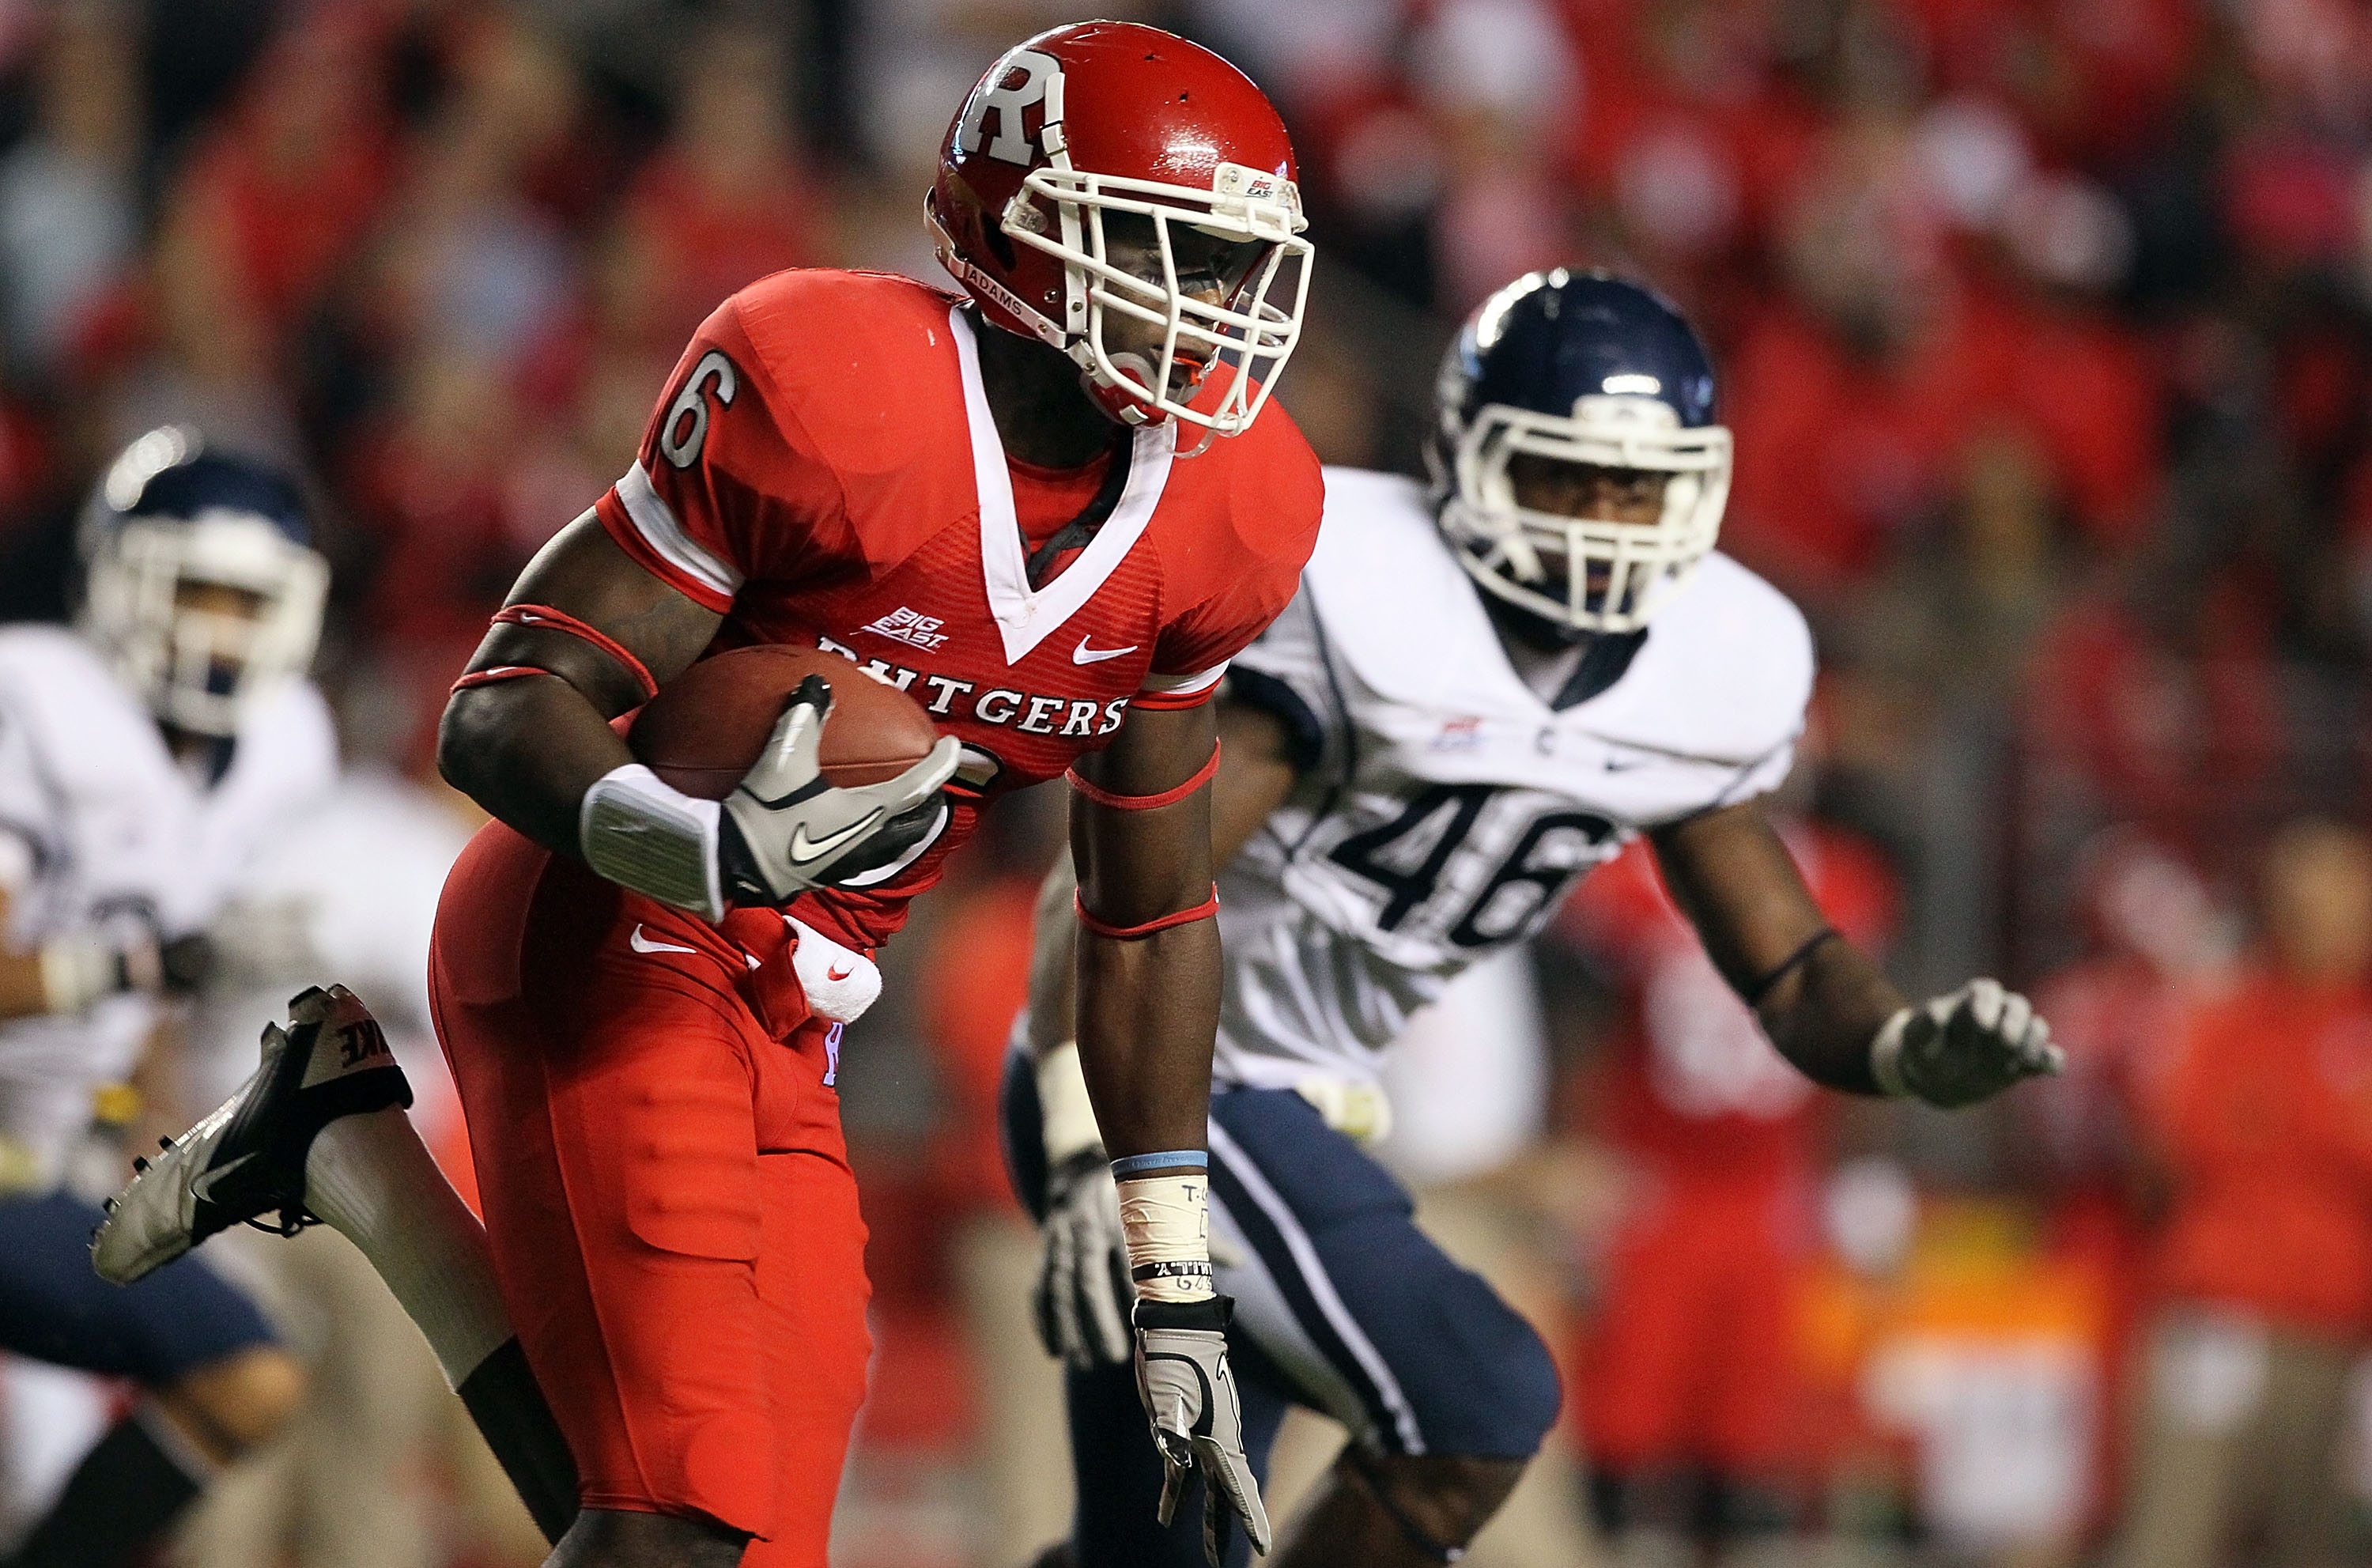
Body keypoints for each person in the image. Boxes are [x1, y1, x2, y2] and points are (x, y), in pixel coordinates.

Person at [98, 21, 1324, 1568]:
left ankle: (355, 1155)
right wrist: (695, 843)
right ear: (1023, 224)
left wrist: (1174, 1274)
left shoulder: (1234, 509)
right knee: (684, 1517)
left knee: (739, 1551)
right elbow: (504, 706)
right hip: (616, 913)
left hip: (798, 1004)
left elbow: (1150, 912)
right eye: (1169, 247)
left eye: (1234, 263)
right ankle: (352, 1149)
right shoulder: (835, 387)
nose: (1211, 306)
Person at [1002, 270, 2065, 1568]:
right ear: (1469, 458)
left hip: (1294, 1097)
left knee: (1153, 1556)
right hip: (1163, 1080)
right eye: (1570, 478)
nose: (1607, 523)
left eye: (1639, 488)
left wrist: (1896, 1046)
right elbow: (1129, 892)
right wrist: (1080, 1122)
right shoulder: (1360, 593)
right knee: (1479, 1399)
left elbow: (1786, 964)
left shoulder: (1712, 671)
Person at [0, 427, 333, 1567]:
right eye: (196, 590)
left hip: (35, 1163)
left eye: (249, 601)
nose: (219, 629)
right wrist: (135, 967)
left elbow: (155, 986)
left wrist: (136, 1120)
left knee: (248, 1374)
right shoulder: (36, 698)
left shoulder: (282, 748)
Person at [2113, 819, 2372, 1568]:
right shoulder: (2219, 1017)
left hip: (2332, 1340)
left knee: (2314, 1545)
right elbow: (2160, 1158)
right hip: (2217, 1324)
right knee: (2174, 1538)